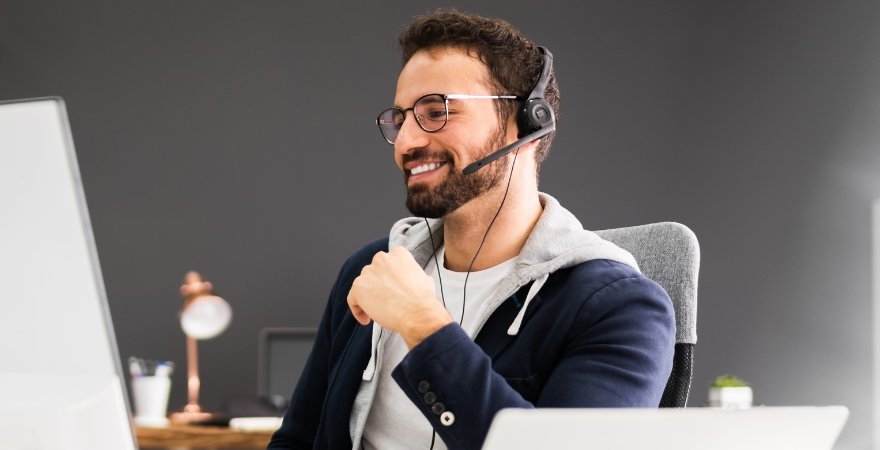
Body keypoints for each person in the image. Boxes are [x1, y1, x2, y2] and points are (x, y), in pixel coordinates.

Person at [268, 10, 675, 450]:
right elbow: (296, 439)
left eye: (437, 110)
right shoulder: (373, 271)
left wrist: (422, 322)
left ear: (528, 123)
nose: (406, 142)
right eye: (401, 118)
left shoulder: (621, 309)